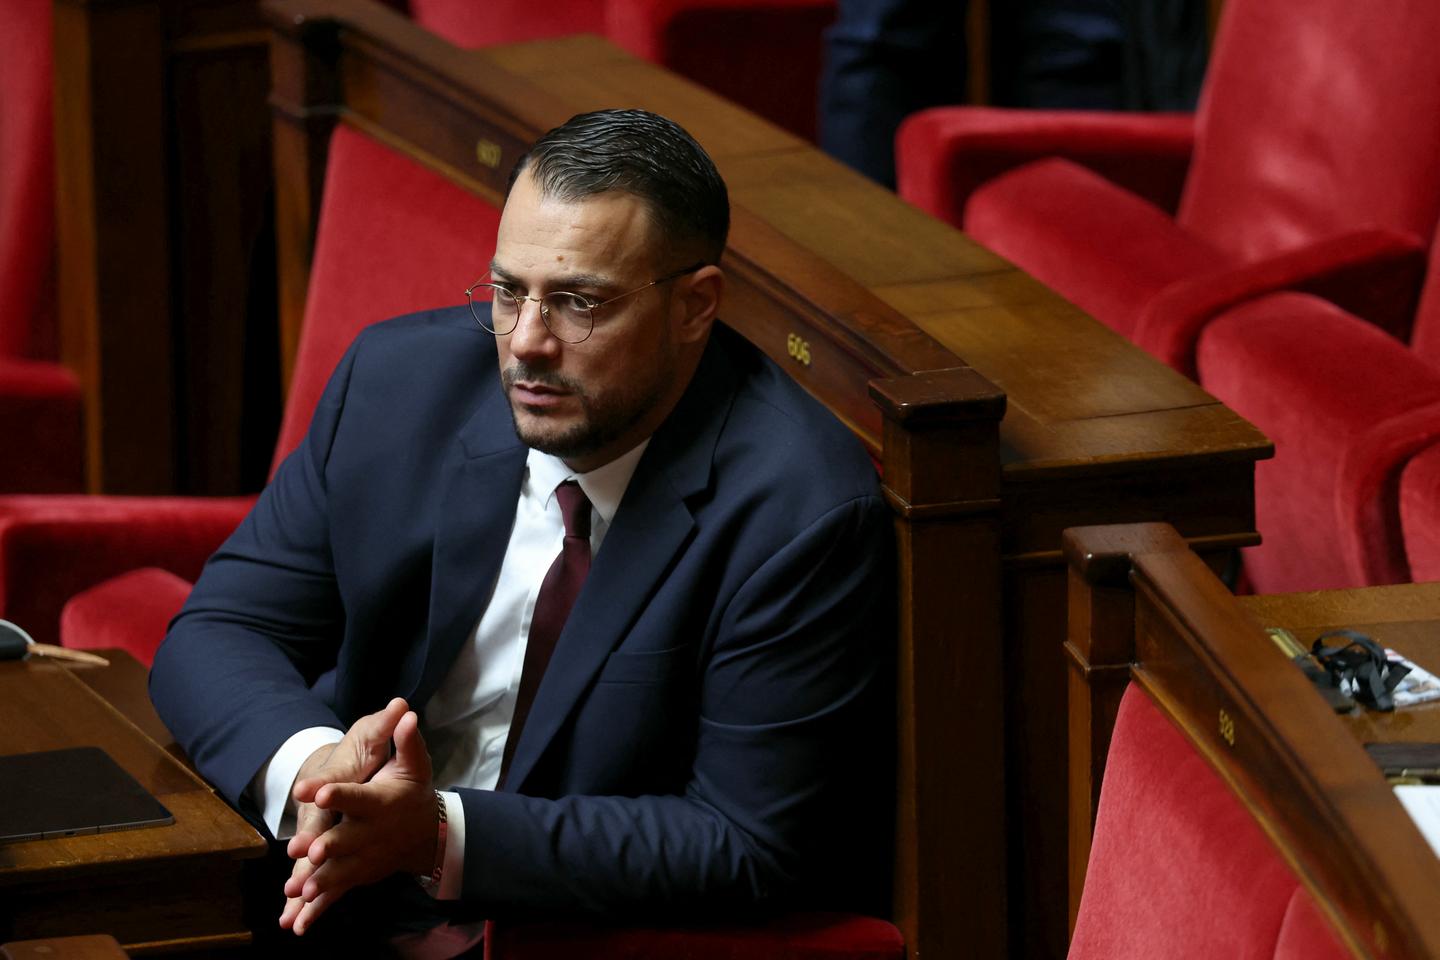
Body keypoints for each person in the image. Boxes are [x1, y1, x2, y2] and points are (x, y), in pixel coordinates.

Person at [149, 108, 892, 954]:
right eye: (508, 292)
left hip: (561, 935)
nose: (527, 344)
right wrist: (314, 770)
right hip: (324, 900)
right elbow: (219, 628)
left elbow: (745, 841)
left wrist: (438, 835)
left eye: (579, 304)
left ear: (696, 306)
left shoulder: (799, 511)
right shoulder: (396, 385)